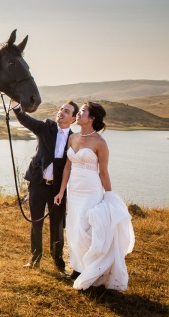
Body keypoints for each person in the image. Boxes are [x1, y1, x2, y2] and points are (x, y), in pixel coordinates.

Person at [54, 102, 135, 291]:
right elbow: (68, 166)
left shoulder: (100, 143)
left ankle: (91, 269)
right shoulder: (72, 137)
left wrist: (110, 196)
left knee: (86, 230)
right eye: (79, 111)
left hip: (91, 191)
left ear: (91, 118)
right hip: (74, 191)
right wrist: (61, 191)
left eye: (83, 111)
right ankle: (77, 268)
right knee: (73, 229)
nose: (79, 114)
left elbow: (103, 173)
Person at [12, 100, 79, 277]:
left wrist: (64, 190)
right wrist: (16, 108)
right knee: (36, 223)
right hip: (37, 184)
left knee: (57, 226)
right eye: (61, 109)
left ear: (73, 119)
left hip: (57, 189)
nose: (61, 113)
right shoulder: (46, 127)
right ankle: (34, 258)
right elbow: (27, 121)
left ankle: (58, 263)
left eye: (66, 111)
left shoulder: (74, 139)